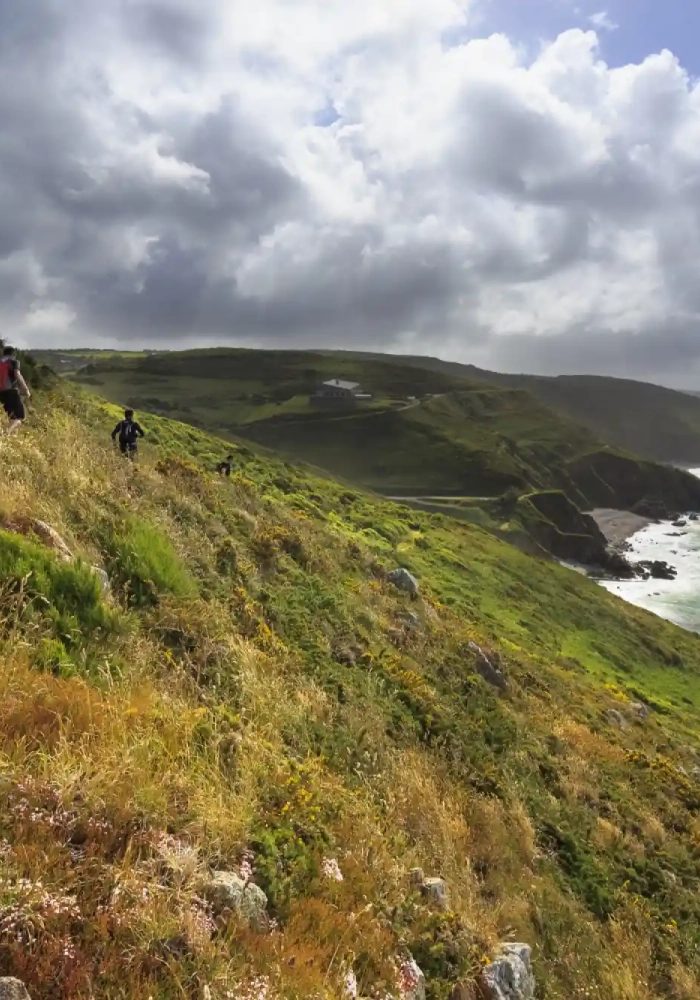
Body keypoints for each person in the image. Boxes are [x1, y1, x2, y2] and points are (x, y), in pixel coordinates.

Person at [0, 345, 31, 436]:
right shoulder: (14, 362)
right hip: (11, 391)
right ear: (13, 354)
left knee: (11, 417)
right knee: (19, 417)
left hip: (1, 393)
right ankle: (6, 434)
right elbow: (17, 375)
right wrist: (26, 390)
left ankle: (12, 436)